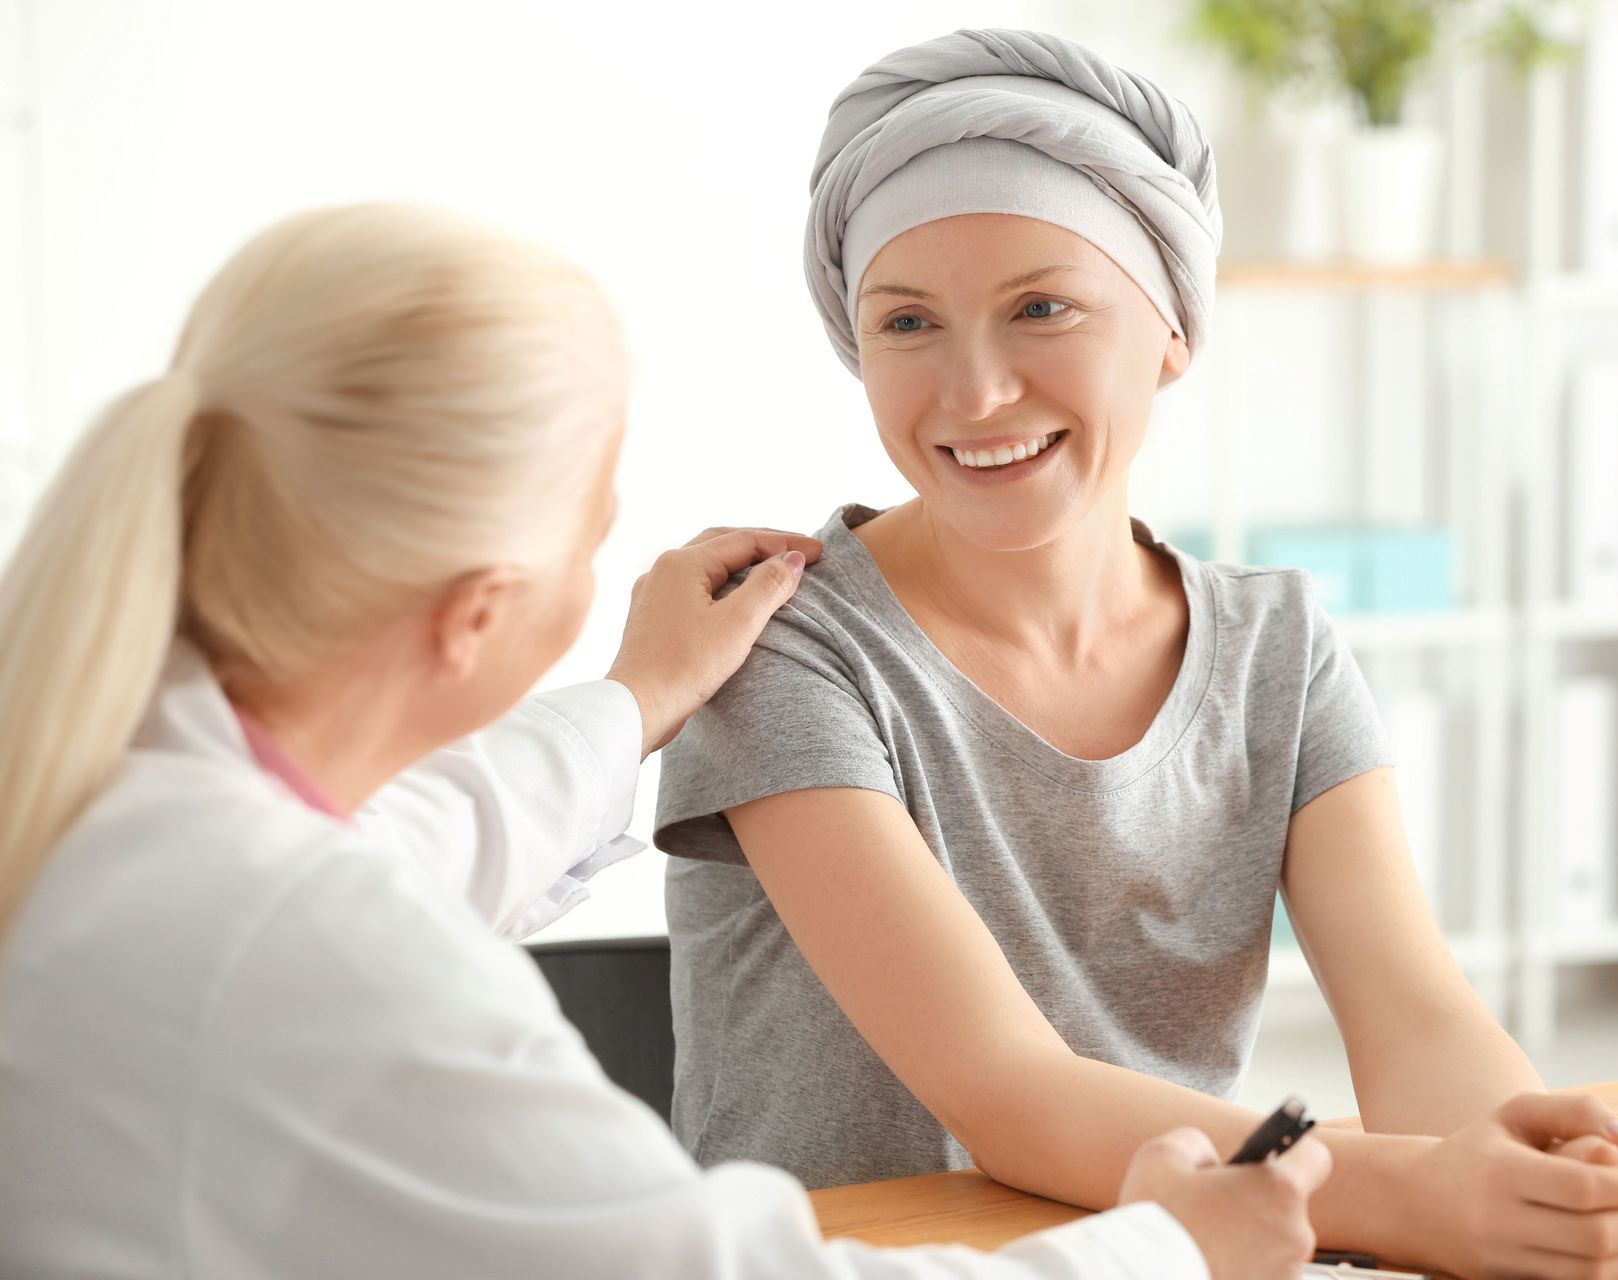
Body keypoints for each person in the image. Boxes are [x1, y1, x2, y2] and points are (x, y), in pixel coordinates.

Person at [0, 202, 1331, 1279]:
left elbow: (437, 828)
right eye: (593, 535)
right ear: (478, 614)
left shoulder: (123, 788)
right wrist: (1168, 1251)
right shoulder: (318, 952)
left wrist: (638, 697)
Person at [653, 30, 1618, 1280]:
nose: (975, 389)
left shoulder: (1278, 647)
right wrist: (1421, 1196)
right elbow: (1007, 1089)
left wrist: (1531, 1166)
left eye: (1042, 307)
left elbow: (1413, 1007)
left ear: (1172, 332)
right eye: (908, 321)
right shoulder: (786, 650)